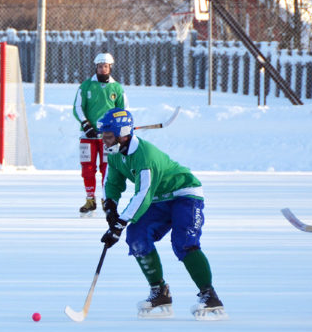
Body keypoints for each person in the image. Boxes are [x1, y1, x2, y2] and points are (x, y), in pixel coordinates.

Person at [97, 108, 227, 321]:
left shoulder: (144, 156)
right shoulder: (114, 154)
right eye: (103, 135)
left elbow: (143, 194)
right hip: (160, 198)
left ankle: (210, 296)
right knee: (136, 236)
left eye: (108, 136)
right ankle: (160, 292)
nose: (104, 140)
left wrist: (120, 224)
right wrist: (110, 208)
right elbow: (111, 182)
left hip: (185, 193)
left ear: (122, 134)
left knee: (184, 241)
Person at [73, 53, 128, 217]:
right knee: (88, 168)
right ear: (96, 67)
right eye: (99, 66)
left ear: (110, 67)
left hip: (108, 137)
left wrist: (116, 129)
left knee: (107, 168)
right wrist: (85, 124)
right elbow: (77, 107)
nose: (102, 69)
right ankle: (90, 200)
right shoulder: (86, 85)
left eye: (105, 66)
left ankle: (106, 200)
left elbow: (123, 111)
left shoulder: (116, 88)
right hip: (87, 136)